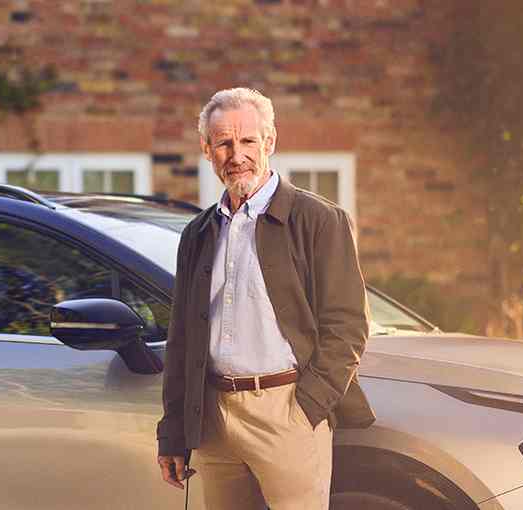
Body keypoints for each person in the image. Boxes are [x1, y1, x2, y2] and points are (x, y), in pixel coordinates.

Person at [155, 87, 375, 509]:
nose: (236, 154)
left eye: (247, 140)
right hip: (214, 417)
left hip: (287, 410)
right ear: (207, 150)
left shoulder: (320, 221)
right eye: (223, 143)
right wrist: (174, 432)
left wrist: (306, 408)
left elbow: (348, 326)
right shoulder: (197, 234)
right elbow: (182, 336)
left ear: (269, 142)